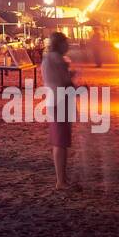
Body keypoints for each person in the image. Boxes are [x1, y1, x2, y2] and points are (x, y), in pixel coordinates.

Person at [42, 31, 75, 190]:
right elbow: (66, 84)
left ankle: (62, 178)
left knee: (59, 142)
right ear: (60, 44)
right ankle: (61, 181)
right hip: (59, 102)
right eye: (66, 42)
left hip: (53, 101)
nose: (68, 45)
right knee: (60, 143)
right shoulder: (58, 59)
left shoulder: (48, 58)